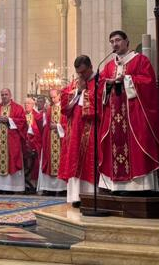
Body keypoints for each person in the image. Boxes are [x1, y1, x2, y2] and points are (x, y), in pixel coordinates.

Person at [99, 30, 159, 194]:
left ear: (127, 41)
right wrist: (108, 83)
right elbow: (100, 86)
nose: (115, 44)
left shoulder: (140, 60)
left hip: (134, 116)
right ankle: (115, 186)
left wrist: (127, 79)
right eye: (112, 41)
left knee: (138, 146)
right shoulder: (108, 66)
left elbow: (148, 83)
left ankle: (139, 187)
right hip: (114, 118)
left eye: (118, 40)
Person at [59, 55, 103, 205]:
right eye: (78, 73)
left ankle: (90, 197)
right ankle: (75, 196)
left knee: (89, 161)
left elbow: (99, 105)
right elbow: (65, 106)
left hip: (91, 129)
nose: (81, 75)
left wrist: (85, 92)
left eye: (83, 72)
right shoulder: (76, 84)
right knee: (74, 161)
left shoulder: (99, 81)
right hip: (74, 131)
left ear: (90, 67)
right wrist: (78, 92)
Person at [0, 88, 27, 194]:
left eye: (6, 94)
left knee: (12, 160)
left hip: (12, 142)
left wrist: (9, 120)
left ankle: (11, 188)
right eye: (2, 94)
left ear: (10, 95)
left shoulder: (18, 108)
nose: (4, 96)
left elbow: (22, 122)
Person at [37, 89, 67, 195]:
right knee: (49, 162)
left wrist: (58, 126)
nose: (53, 99)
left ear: (59, 96)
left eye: (54, 97)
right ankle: (49, 189)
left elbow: (68, 124)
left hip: (62, 141)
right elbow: (44, 126)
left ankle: (62, 189)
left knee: (61, 164)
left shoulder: (65, 108)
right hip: (50, 140)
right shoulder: (49, 109)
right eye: (51, 97)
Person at [24, 97, 42, 186]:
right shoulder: (21, 115)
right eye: (25, 103)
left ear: (33, 105)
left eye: (28, 103)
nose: (26, 105)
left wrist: (31, 132)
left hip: (33, 144)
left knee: (34, 164)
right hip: (23, 144)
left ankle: (33, 184)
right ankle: (24, 184)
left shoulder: (37, 116)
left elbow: (39, 131)